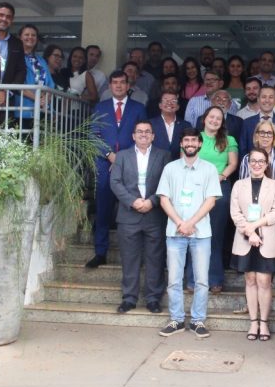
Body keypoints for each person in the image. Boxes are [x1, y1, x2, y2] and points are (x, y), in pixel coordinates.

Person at [155, 128, 222, 339]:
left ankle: (198, 320)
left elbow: (211, 200)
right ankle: (176, 319)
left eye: (194, 140)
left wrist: (190, 223)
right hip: (174, 232)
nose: (191, 143)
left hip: (201, 233)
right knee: (174, 279)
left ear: (200, 144)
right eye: (187, 140)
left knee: (202, 280)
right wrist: (179, 222)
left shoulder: (210, 169)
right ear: (181, 144)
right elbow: (164, 198)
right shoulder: (170, 168)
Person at [109, 120, 170, 314]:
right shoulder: (122, 156)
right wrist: (132, 201)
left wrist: (152, 201)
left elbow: (167, 183)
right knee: (129, 258)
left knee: (155, 258)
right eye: (139, 132)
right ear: (133, 136)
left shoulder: (163, 156)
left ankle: (153, 299)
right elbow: (115, 182)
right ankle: (129, 298)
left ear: (153, 136)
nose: (143, 134)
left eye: (147, 132)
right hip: (128, 214)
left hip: (154, 214)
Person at [88, 70, 147, 269]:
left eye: (122, 82)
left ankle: (131, 255)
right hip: (105, 164)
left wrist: (120, 158)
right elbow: (93, 136)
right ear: (110, 86)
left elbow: (142, 135)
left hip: (130, 164)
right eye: (115, 83)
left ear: (128, 85)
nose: (119, 86)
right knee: (103, 208)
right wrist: (110, 155)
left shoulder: (138, 108)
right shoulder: (100, 107)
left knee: (130, 209)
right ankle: (100, 252)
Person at [230, 147, 275, 342]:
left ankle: (264, 322)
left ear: (267, 164)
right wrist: (249, 231)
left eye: (261, 161)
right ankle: (253, 321)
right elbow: (235, 213)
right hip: (245, 238)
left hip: (267, 238)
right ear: (248, 163)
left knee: (264, 281)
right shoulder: (238, 185)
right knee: (250, 279)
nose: (257, 164)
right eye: (253, 160)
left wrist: (255, 225)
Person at [193, 106, 238, 293]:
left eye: (218, 118)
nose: (214, 120)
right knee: (194, 234)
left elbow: (233, 163)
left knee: (215, 235)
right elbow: (184, 160)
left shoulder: (229, 140)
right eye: (211, 117)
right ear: (204, 119)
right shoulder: (194, 138)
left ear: (222, 122)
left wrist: (220, 176)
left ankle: (215, 279)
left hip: (219, 188)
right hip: (195, 189)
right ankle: (192, 279)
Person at [237, 119, 275, 216]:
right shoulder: (247, 159)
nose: (265, 136)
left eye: (269, 133)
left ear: (274, 136)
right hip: (253, 209)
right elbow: (244, 189)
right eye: (262, 132)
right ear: (256, 135)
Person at [239, 85, 275, 158]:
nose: (267, 100)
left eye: (271, 97)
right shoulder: (247, 123)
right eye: (264, 97)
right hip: (253, 167)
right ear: (258, 99)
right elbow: (242, 151)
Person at [16, 24, 54, 129]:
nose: (30, 37)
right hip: (23, 110)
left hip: (42, 110)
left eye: (33, 35)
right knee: (24, 143)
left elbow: (50, 84)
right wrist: (37, 99)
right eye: (26, 34)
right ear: (20, 38)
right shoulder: (15, 57)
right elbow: (17, 84)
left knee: (41, 144)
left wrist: (46, 99)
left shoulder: (41, 60)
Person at [150, 91, 182, 159]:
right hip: (156, 163)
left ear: (178, 107)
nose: (169, 103)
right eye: (165, 100)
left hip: (178, 165)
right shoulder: (150, 124)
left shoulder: (185, 125)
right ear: (160, 105)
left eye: (173, 101)